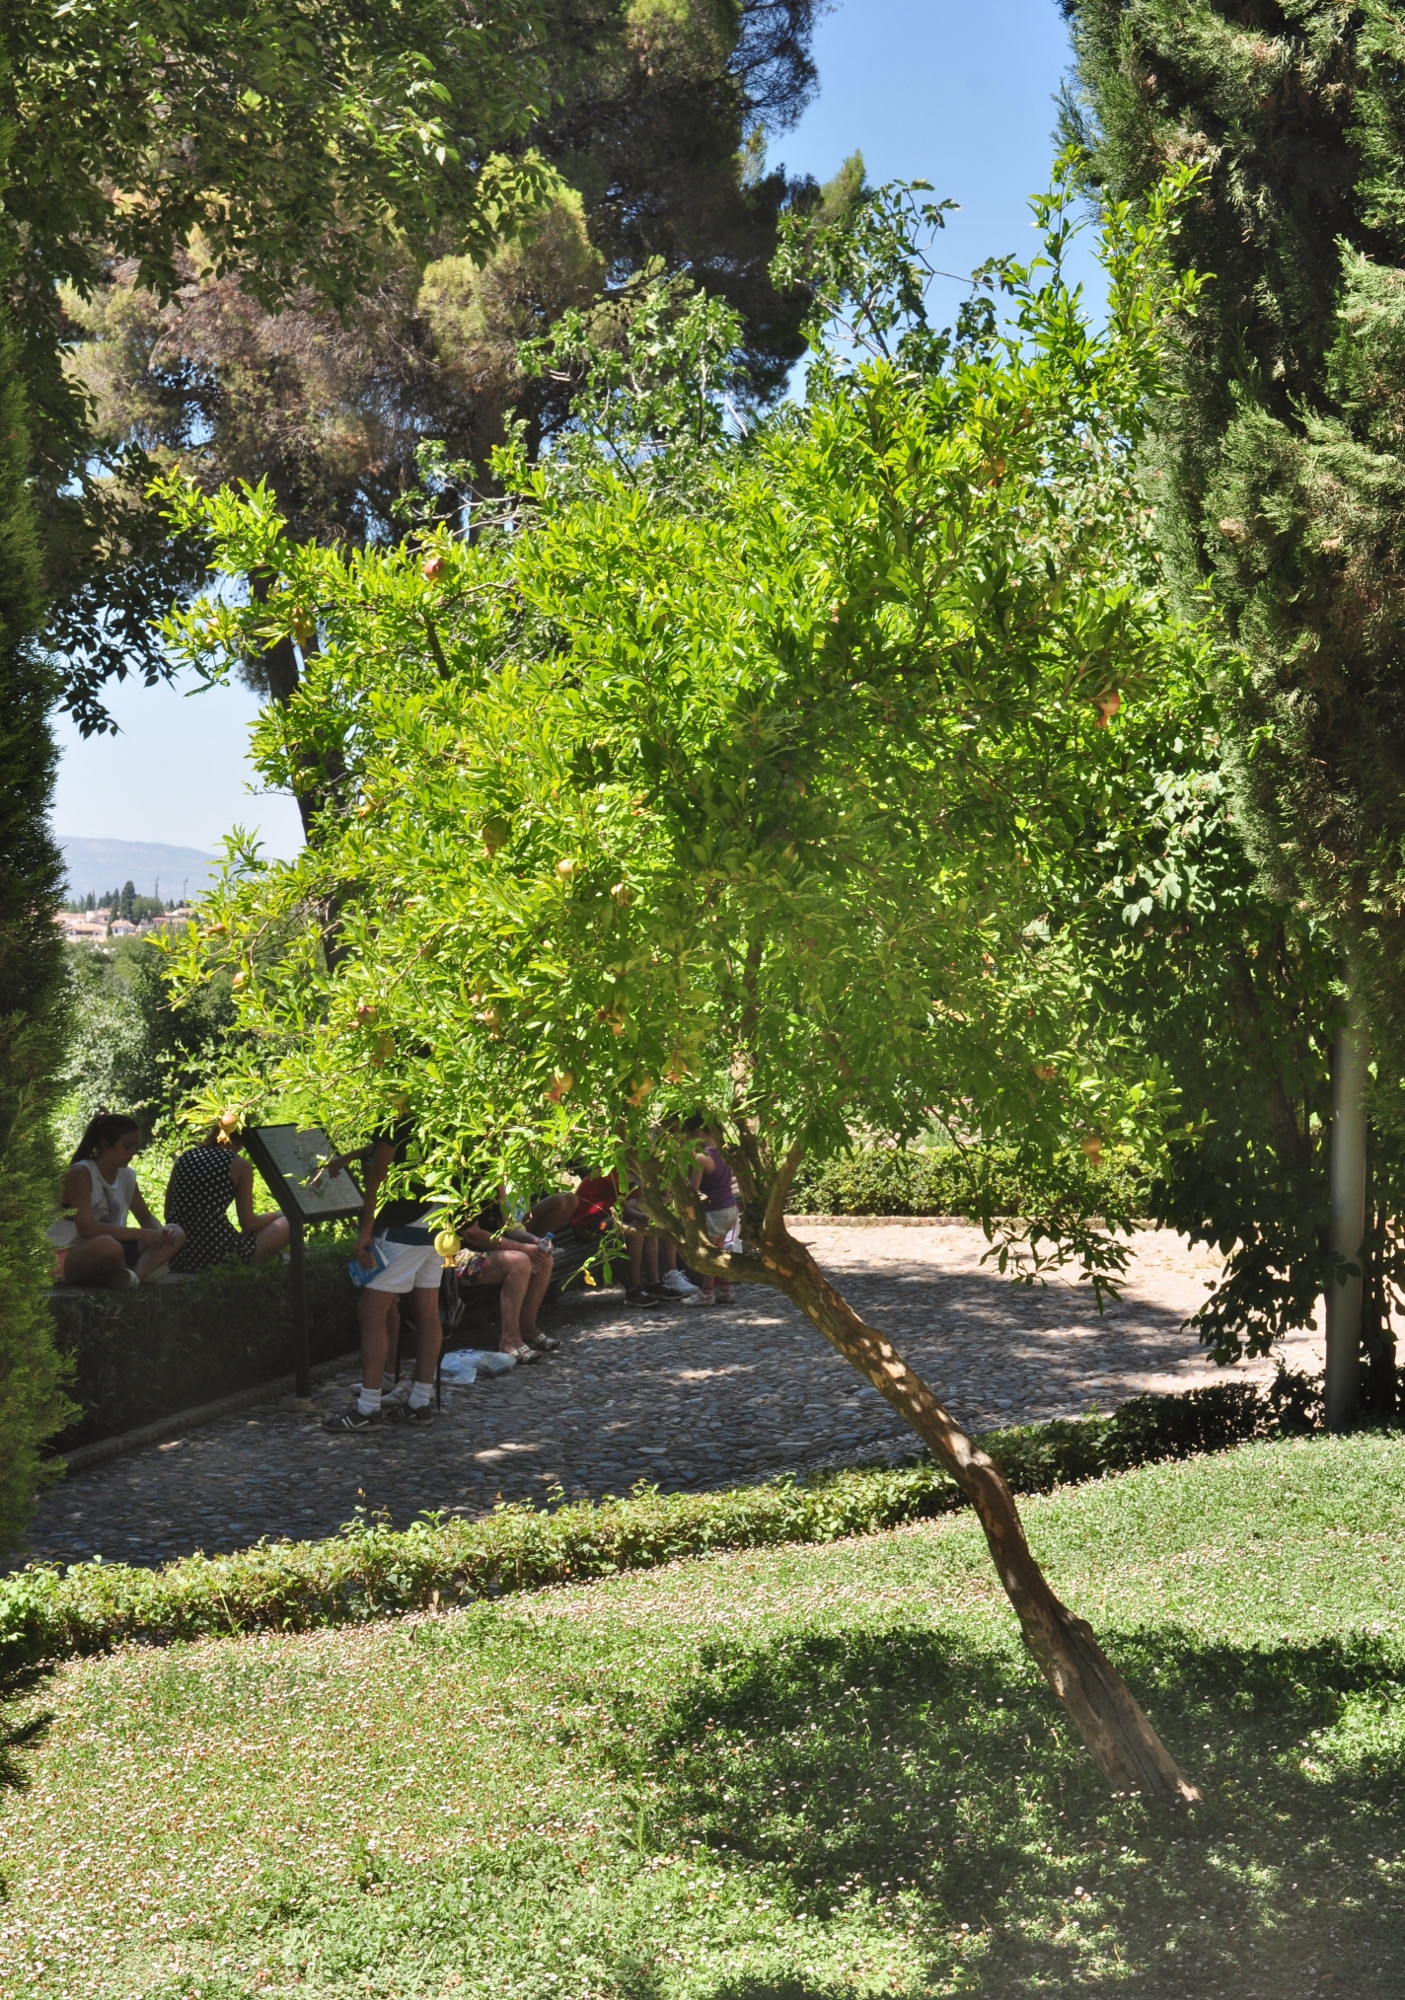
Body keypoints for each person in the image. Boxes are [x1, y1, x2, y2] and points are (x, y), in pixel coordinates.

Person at [322, 1119, 447, 1432]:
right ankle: (419, 1402)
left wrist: (365, 1231)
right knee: (428, 1313)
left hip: (404, 1223)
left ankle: (368, 1407)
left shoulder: (399, 1113)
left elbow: (378, 1171)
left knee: (371, 1313)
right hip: (440, 1220)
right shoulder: (443, 1101)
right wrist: (348, 1158)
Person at [49, 1113, 185, 1286]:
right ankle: (125, 1274)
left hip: (116, 1250)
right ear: (106, 1143)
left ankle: (132, 1278)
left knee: (176, 1231)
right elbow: (87, 1229)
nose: (134, 1152)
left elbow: (145, 1217)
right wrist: (144, 1234)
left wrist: (161, 1235)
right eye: (128, 1146)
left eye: (136, 1146)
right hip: (70, 1255)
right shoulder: (80, 1173)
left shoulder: (127, 1176)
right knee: (108, 1245)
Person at [165, 1122, 290, 1272]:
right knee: (290, 1221)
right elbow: (249, 1223)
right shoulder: (239, 1165)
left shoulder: (184, 1158)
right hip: (218, 1251)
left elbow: (168, 1213)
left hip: (178, 1251)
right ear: (241, 1140)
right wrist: (275, 1215)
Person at [683, 1116, 739, 1306]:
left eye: (688, 1135)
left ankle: (706, 1292)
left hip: (714, 1210)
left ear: (697, 1132)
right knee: (720, 1249)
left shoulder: (701, 1157)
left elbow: (693, 1190)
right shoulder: (723, 1153)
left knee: (708, 1252)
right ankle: (725, 1288)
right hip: (730, 1207)